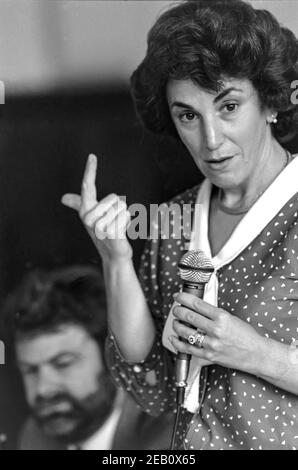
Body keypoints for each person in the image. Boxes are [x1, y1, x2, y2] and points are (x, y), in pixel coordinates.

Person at [61, 0, 298, 450]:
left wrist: (257, 353)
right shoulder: (175, 221)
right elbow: (151, 383)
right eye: (188, 115)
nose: (210, 139)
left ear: (269, 100)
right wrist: (116, 260)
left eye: (228, 106)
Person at [3, 265, 173, 450]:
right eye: (30, 370)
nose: (43, 389)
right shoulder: (35, 438)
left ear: (113, 361)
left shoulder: (170, 436)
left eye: (63, 364)